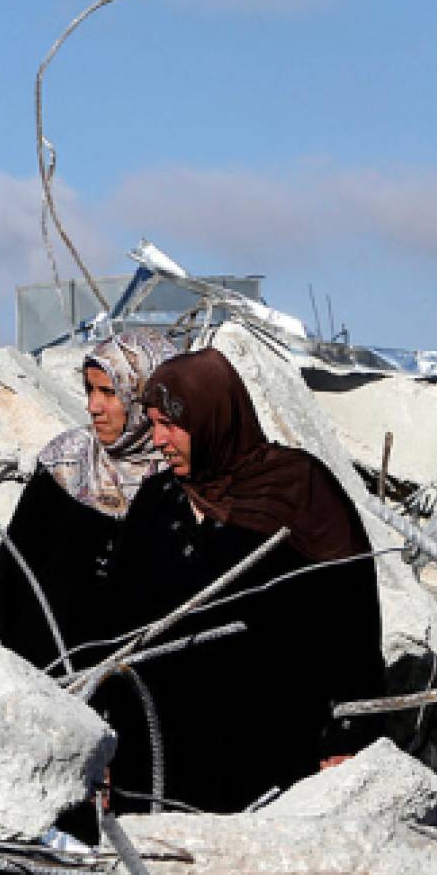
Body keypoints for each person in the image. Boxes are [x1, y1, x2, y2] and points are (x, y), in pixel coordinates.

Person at [101, 346, 385, 813]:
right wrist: (103, 731)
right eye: (152, 424)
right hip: (155, 749)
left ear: (213, 417)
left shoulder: (300, 490)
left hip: (266, 748)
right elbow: (116, 619)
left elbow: (351, 623)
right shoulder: (158, 499)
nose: (158, 440)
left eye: (171, 424)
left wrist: (349, 734)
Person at [0, 329, 176, 671]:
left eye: (109, 392)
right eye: (90, 390)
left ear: (145, 397)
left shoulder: (177, 477)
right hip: (43, 666)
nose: (93, 406)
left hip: (130, 677)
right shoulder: (65, 461)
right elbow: (10, 576)